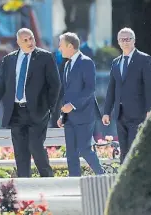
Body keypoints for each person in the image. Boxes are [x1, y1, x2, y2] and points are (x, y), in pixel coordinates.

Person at [0, 28, 61, 178]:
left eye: (31, 38)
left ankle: (48, 180)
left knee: (36, 147)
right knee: (20, 151)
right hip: (15, 112)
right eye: (25, 40)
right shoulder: (9, 59)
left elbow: (55, 84)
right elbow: (0, 84)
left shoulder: (45, 57)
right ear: (18, 42)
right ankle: (24, 184)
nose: (29, 42)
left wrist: (49, 107)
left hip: (38, 111)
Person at [56, 32, 104, 176]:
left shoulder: (86, 62)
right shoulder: (67, 65)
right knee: (71, 153)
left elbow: (90, 88)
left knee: (85, 149)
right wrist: (63, 115)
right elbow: (67, 92)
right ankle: (74, 183)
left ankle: (103, 177)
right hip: (69, 117)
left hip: (84, 115)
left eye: (61, 46)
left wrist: (73, 105)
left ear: (70, 46)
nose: (59, 49)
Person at [103, 27, 151, 164]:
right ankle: (122, 181)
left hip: (138, 114)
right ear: (118, 42)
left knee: (133, 149)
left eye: (128, 39)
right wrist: (106, 112)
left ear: (134, 41)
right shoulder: (116, 62)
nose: (125, 42)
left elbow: (149, 86)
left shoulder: (144, 59)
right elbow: (111, 89)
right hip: (120, 114)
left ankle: (135, 181)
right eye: (122, 39)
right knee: (124, 150)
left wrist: (149, 109)